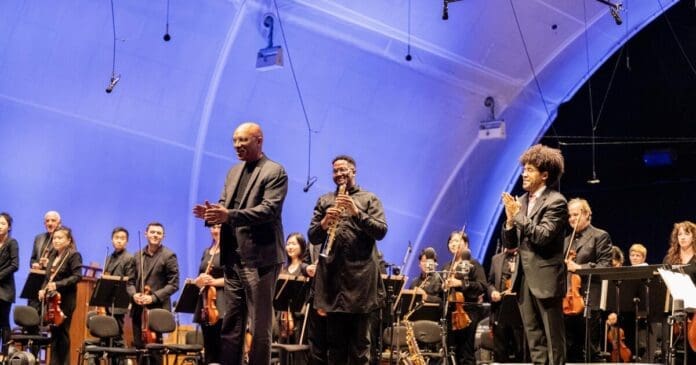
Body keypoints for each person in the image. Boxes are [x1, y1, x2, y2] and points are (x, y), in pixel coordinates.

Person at [193, 122, 288, 365]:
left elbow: (268, 210)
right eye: (235, 140)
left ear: (259, 140)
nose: (237, 145)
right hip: (233, 259)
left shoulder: (275, 172)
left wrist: (229, 215)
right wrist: (212, 213)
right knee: (231, 325)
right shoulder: (233, 172)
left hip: (261, 260)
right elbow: (225, 203)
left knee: (258, 327)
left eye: (243, 140)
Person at [309, 155, 387, 365]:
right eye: (335, 171)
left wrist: (356, 212)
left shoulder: (369, 199)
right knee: (335, 346)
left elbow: (381, 231)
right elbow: (312, 236)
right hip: (333, 281)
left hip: (361, 282)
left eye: (343, 170)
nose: (339, 174)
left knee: (360, 347)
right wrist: (325, 221)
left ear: (353, 171)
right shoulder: (325, 200)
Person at [501, 143, 567, 365]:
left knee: (553, 340)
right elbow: (510, 244)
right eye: (524, 169)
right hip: (523, 280)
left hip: (546, 279)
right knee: (534, 339)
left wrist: (517, 216)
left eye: (530, 170)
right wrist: (510, 222)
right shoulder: (520, 202)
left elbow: (542, 236)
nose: (524, 174)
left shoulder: (556, 201)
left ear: (545, 175)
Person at [563, 198, 613, 362]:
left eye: (575, 215)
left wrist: (579, 268)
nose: (571, 218)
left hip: (589, 300)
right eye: (570, 215)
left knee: (591, 349)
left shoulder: (599, 236)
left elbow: (605, 266)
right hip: (567, 301)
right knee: (570, 349)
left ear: (586, 214)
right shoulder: (566, 240)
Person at [128, 222, 179, 364]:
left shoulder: (169, 255)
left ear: (163, 236)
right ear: (146, 234)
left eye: (159, 233)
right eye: (152, 232)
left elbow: (174, 284)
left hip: (157, 310)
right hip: (138, 309)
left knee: (155, 351)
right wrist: (134, 294)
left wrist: (153, 298)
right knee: (139, 349)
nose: (155, 235)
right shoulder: (137, 255)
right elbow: (130, 282)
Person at [38, 226, 82, 365]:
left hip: (66, 299)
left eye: (60, 238)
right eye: (55, 238)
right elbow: (48, 277)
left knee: (62, 333)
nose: (56, 241)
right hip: (52, 299)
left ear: (68, 240)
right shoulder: (52, 255)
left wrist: (58, 285)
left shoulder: (73, 255)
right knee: (54, 334)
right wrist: (42, 289)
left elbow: (77, 276)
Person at [442, 230, 487, 364]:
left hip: (468, 311)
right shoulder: (447, 266)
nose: (453, 244)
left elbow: (482, 286)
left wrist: (460, 283)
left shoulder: (473, 264)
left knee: (466, 352)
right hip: (450, 312)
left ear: (466, 244)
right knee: (451, 351)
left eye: (457, 240)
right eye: (451, 241)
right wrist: (444, 287)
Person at [193, 224, 225, 364]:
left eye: (219, 227)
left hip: (221, 302)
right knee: (209, 347)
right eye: (212, 227)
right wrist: (198, 280)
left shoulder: (229, 251)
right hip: (206, 303)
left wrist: (214, 281)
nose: (215, 230)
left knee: (221, 346)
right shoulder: (207, 251)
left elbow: (236, 279)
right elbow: (201, 275)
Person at [487, 245, 525, 362]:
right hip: (499, 309)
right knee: (500, 349)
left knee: (520, 349)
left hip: (519, 308)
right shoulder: (496, 258)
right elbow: (490, 282)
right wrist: (493, 292)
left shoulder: (524, 257)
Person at [103, 227, 135, 348]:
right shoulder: (109, 257)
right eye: (116, 238)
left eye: (122, 238)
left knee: (117, 336)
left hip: (120, 301)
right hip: (108, 300)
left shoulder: (129, 258)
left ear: (126, 241)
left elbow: (130, 280)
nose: (119, 241)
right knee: (107, 336)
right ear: (112, 240)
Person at [0, 212, 19, 355]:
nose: (0, 226)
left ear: (9, 227)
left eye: (2, 223)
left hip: (5, 289)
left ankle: (4, 354)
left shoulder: (12, 243)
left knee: (4, 322)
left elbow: (15, 265)